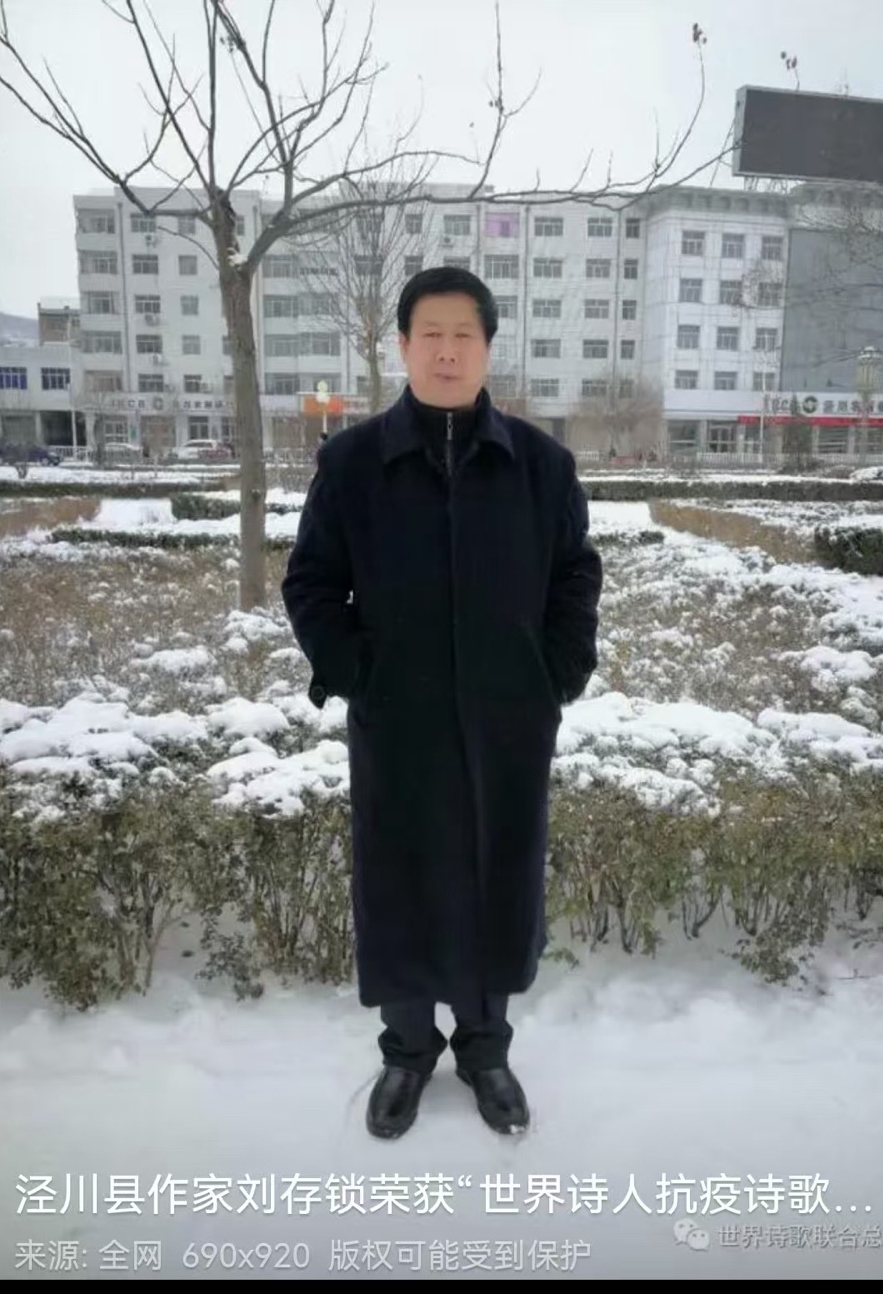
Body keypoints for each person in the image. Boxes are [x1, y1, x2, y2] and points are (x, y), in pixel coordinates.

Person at [281, 266, 603, 1139]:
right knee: (403, 880)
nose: (448, 350)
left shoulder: (540, 466)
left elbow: (575, 575)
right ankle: (408, 1050)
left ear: (488, 347)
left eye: (465, 334)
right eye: (432, 333)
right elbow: (312, 583)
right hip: (399, 723)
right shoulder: (352, 464)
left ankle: (486, 1048)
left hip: (509, 721)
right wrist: (359, 673)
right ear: (403, 344)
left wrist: (556, 672)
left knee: (499, 874)